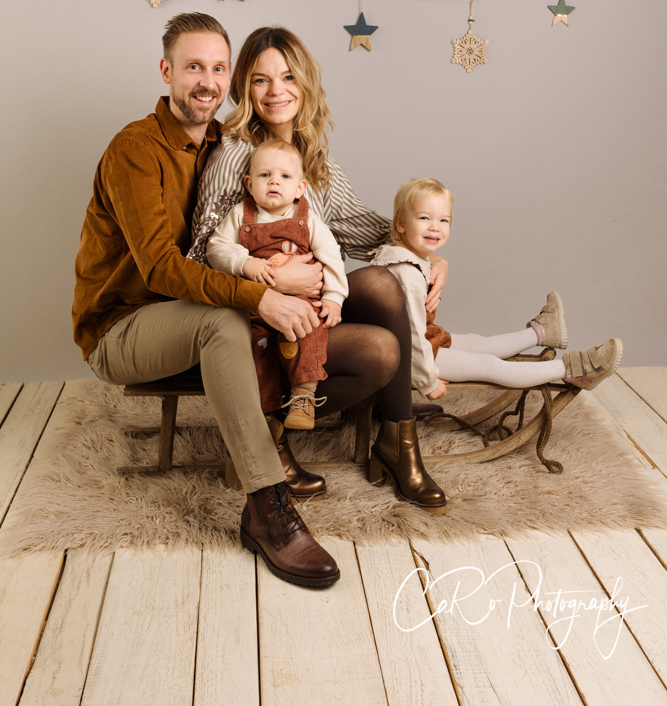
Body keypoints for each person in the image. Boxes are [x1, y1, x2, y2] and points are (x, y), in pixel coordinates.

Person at [72, 11, 340, 589]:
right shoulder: (134, 149)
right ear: (166, 71)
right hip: (123, 327)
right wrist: (262, 294)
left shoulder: (227, 146)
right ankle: (267, 507)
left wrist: (418, 252)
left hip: (201, 312)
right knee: (224, 323)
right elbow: (162, 268)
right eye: (194, 67)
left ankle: (297, 435)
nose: (208, 82)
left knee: (298, 312)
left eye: (219, 69)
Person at [189, 26, 448, 515]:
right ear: (245, 88)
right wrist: (269, 280)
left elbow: (369, 232)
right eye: (261, 79)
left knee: (386, 281)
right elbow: (198, 256)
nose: (276, 91)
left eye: (288, 77)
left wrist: (428, 258)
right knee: (381, 350)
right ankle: (268, 434)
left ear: (305, 82)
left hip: (311, 314)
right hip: (255, 319)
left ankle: (398, 442)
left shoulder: (315, 160)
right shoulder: (237, 155)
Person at [369, 177, 623, 398]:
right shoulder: (407, 274)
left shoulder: (404, 256)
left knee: (476, 343)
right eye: (424, 218)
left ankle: (541, 333)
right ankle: (574, 369)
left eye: (444, 220)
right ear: (400, 224)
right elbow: (412, 336)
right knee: (489, 365)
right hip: (407, 356)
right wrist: (428, 381)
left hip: (421, 339)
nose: (435, 226)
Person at [206, 138, 348, 429]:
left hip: (301, 303)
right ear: (249, 184)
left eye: (285, 176)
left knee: (310, 333)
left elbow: (331, 257)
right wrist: (245, 263)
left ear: (300, 188)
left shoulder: (308, 220)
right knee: (254, 350)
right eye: (265, 175)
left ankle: (303, 397)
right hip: (255, 306)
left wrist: (334, 297)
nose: (274, 181)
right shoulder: (240, 215)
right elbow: (215, 249)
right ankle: (266, 416)